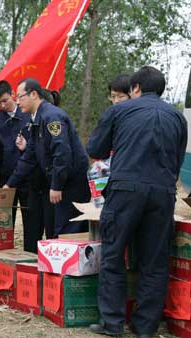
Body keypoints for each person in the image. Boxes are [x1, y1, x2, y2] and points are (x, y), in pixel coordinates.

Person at [87, 66, 187, 338]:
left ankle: (112, 323)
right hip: (162, 193)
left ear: (135, 89)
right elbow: (177, 161)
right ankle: (145, 327)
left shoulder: (119, 111)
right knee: (155, 261)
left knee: (113, 254)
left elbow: (95, 150)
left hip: (125, 191)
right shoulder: (178, 118)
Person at [3, 78, 91, 237]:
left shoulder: (51, 117)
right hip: (60, 182)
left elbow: (62, 153)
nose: (17, 102)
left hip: (70, 184)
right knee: (59, 229)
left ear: (34, 94)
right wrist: (10, 184)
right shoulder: (36, 120)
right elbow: (29, 157)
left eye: (20, 97)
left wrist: (57, 185)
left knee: (68, 231)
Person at [0, 80, 45, 253]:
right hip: (6, 180)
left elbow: (37, 148)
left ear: (13, 94)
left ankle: (31, 260)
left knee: (32, 224)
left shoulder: (29, 114)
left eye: (5, 100)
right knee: (3, 225)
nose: (3, 105)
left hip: (29, 179)